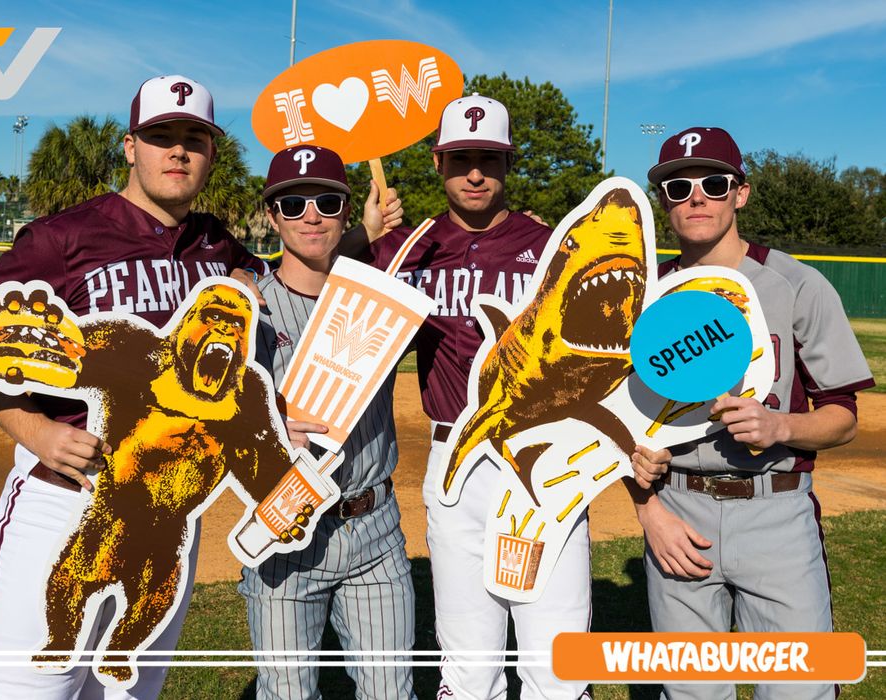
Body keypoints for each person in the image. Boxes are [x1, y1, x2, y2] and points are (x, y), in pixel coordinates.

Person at [0, 74, 270, 699]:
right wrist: (35, 430)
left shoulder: (215, 244)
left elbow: (290, 263)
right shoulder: (63, 238)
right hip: (65, 494)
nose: (177, 151)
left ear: (211, 155)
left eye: (194, 139)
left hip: (169, 519)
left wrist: (260, 265)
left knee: (129, 692)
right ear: (131, 147)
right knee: (35, 687)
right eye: (161, 136)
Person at [630, 126, 875, 700]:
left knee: (799, 688)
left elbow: (843, 414)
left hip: (776, 512)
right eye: (678, 185)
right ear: (664, 202)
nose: (696, 197)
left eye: (714, 183)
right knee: (691, 692)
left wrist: (782, 426)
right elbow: (616, 422)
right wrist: (647, 511)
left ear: (740, 193)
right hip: (677, 512)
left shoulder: (797, 284)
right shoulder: (643, 297)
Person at [360, 94, 592, 700]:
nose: (475, 173)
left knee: (556, 660)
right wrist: (368, 240)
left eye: (488, 159)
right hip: (453, 460)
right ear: (439, 164)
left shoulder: (551, 246)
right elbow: (345, 322)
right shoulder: (405, 247)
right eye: (461, 159)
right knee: (467, 661)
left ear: (508, 164)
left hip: (541, 459)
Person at [237, 145, 416, 699]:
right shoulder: (248, 309)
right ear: (272, 216)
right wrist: (262, 420)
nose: (310, 214)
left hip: (375, 528)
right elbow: (208, 421)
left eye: (326, 201)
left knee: (391, 693)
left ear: (345, 211)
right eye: (292, 203)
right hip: (285, 529)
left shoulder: (382, 297)